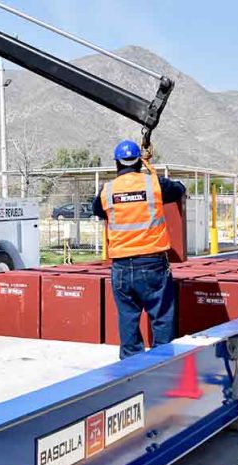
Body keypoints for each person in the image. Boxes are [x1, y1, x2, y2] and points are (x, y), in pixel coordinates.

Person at [92, 140, 186, 359]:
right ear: (139, 162)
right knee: (162, 318)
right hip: (152, 264)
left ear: (117, 164)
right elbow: (179, 189)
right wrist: (155, 173)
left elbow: (97, 210)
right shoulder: (154, 185)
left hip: (122, 267)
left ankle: (130, 370)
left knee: (128, 319)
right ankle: (162, 364)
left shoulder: (107, 191)